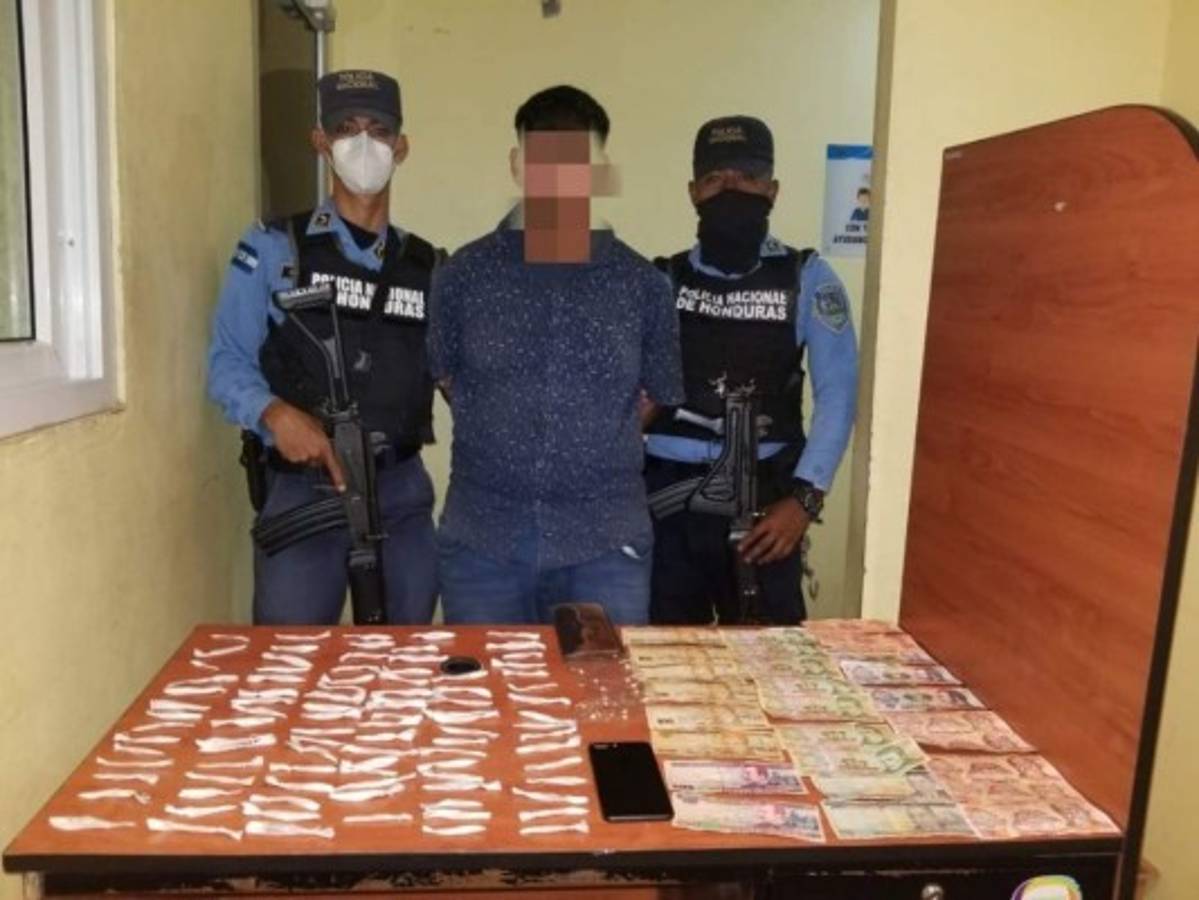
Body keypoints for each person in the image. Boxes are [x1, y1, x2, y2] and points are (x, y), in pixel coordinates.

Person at [427, 85, 684, 626]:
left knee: (604, 683)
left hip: (605, 546)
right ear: (518, 165)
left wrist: (588, 438)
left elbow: (657, 392)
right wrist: (510, 424)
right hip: (483, 544)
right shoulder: (461, 277)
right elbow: (448, 377)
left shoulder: (642, 284)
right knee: (487, 683)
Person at [207, 70, 441, 625]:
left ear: (401, 147)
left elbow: (456, 371)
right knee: (289, 662)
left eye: (378, 130)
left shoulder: (428, 266)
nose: (363, 143)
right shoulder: (273, 248)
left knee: (405, 660)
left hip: (399, 490)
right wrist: (274, 414)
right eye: (345, 128)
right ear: (321, 142)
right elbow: (226, 361)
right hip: (305, 488)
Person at [645, 115, 858, 626]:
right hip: (667, 510)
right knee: (666, 659)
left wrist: (804, 501)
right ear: (693, 191)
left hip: (767, 508)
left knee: (772, 659)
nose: (731, 189)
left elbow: (839, 393)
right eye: (715, 178)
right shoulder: (661, 280)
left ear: (772, 190)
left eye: (747, 177)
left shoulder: (807, 278)